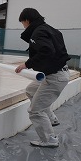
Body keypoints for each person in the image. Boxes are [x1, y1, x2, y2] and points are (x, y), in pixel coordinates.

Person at [15, 8, 71, 148]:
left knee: (35, 111)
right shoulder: (49, 29)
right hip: (56, 74)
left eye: (22, 23)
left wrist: (27, 64)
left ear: (27, 20)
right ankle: (52, 119)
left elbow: (47, 50)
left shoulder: (38, 32)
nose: (23, 26)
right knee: (31, 90)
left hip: (55, 78)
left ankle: (49, 139)